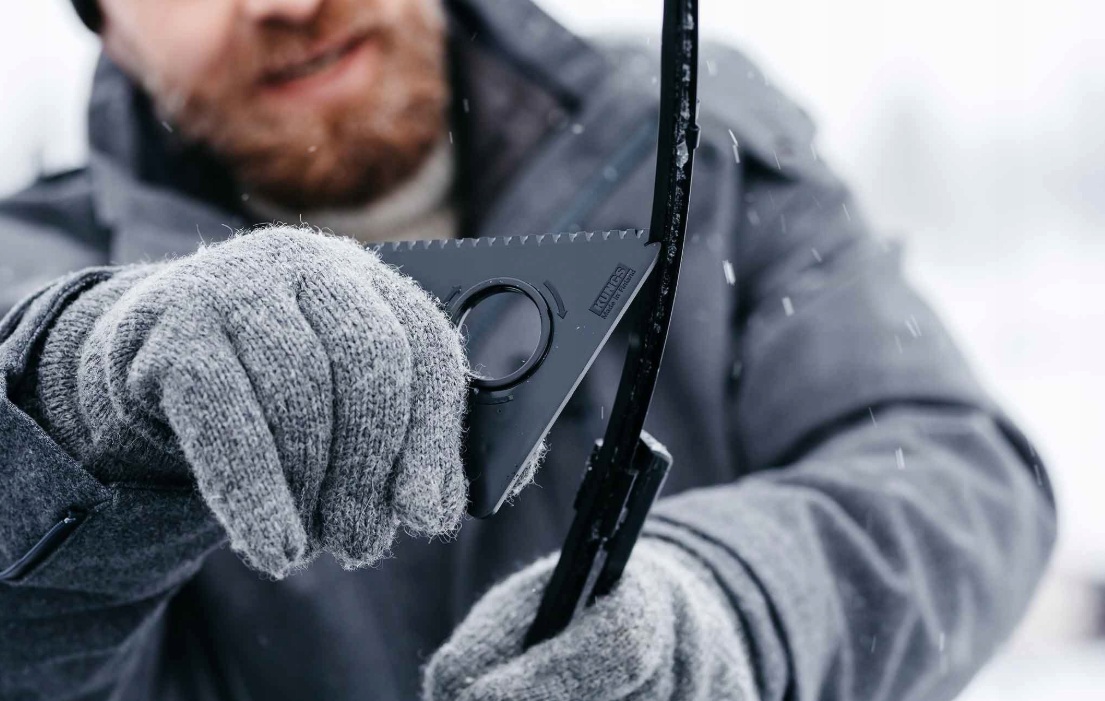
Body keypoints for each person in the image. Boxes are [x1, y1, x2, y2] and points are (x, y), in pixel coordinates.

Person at [0, 0, 1056, 699]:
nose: (286, 0)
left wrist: (739, 604)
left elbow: (954, 472)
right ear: (106, 23)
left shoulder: (696, 137)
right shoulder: (31, 283)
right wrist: (81, 404)